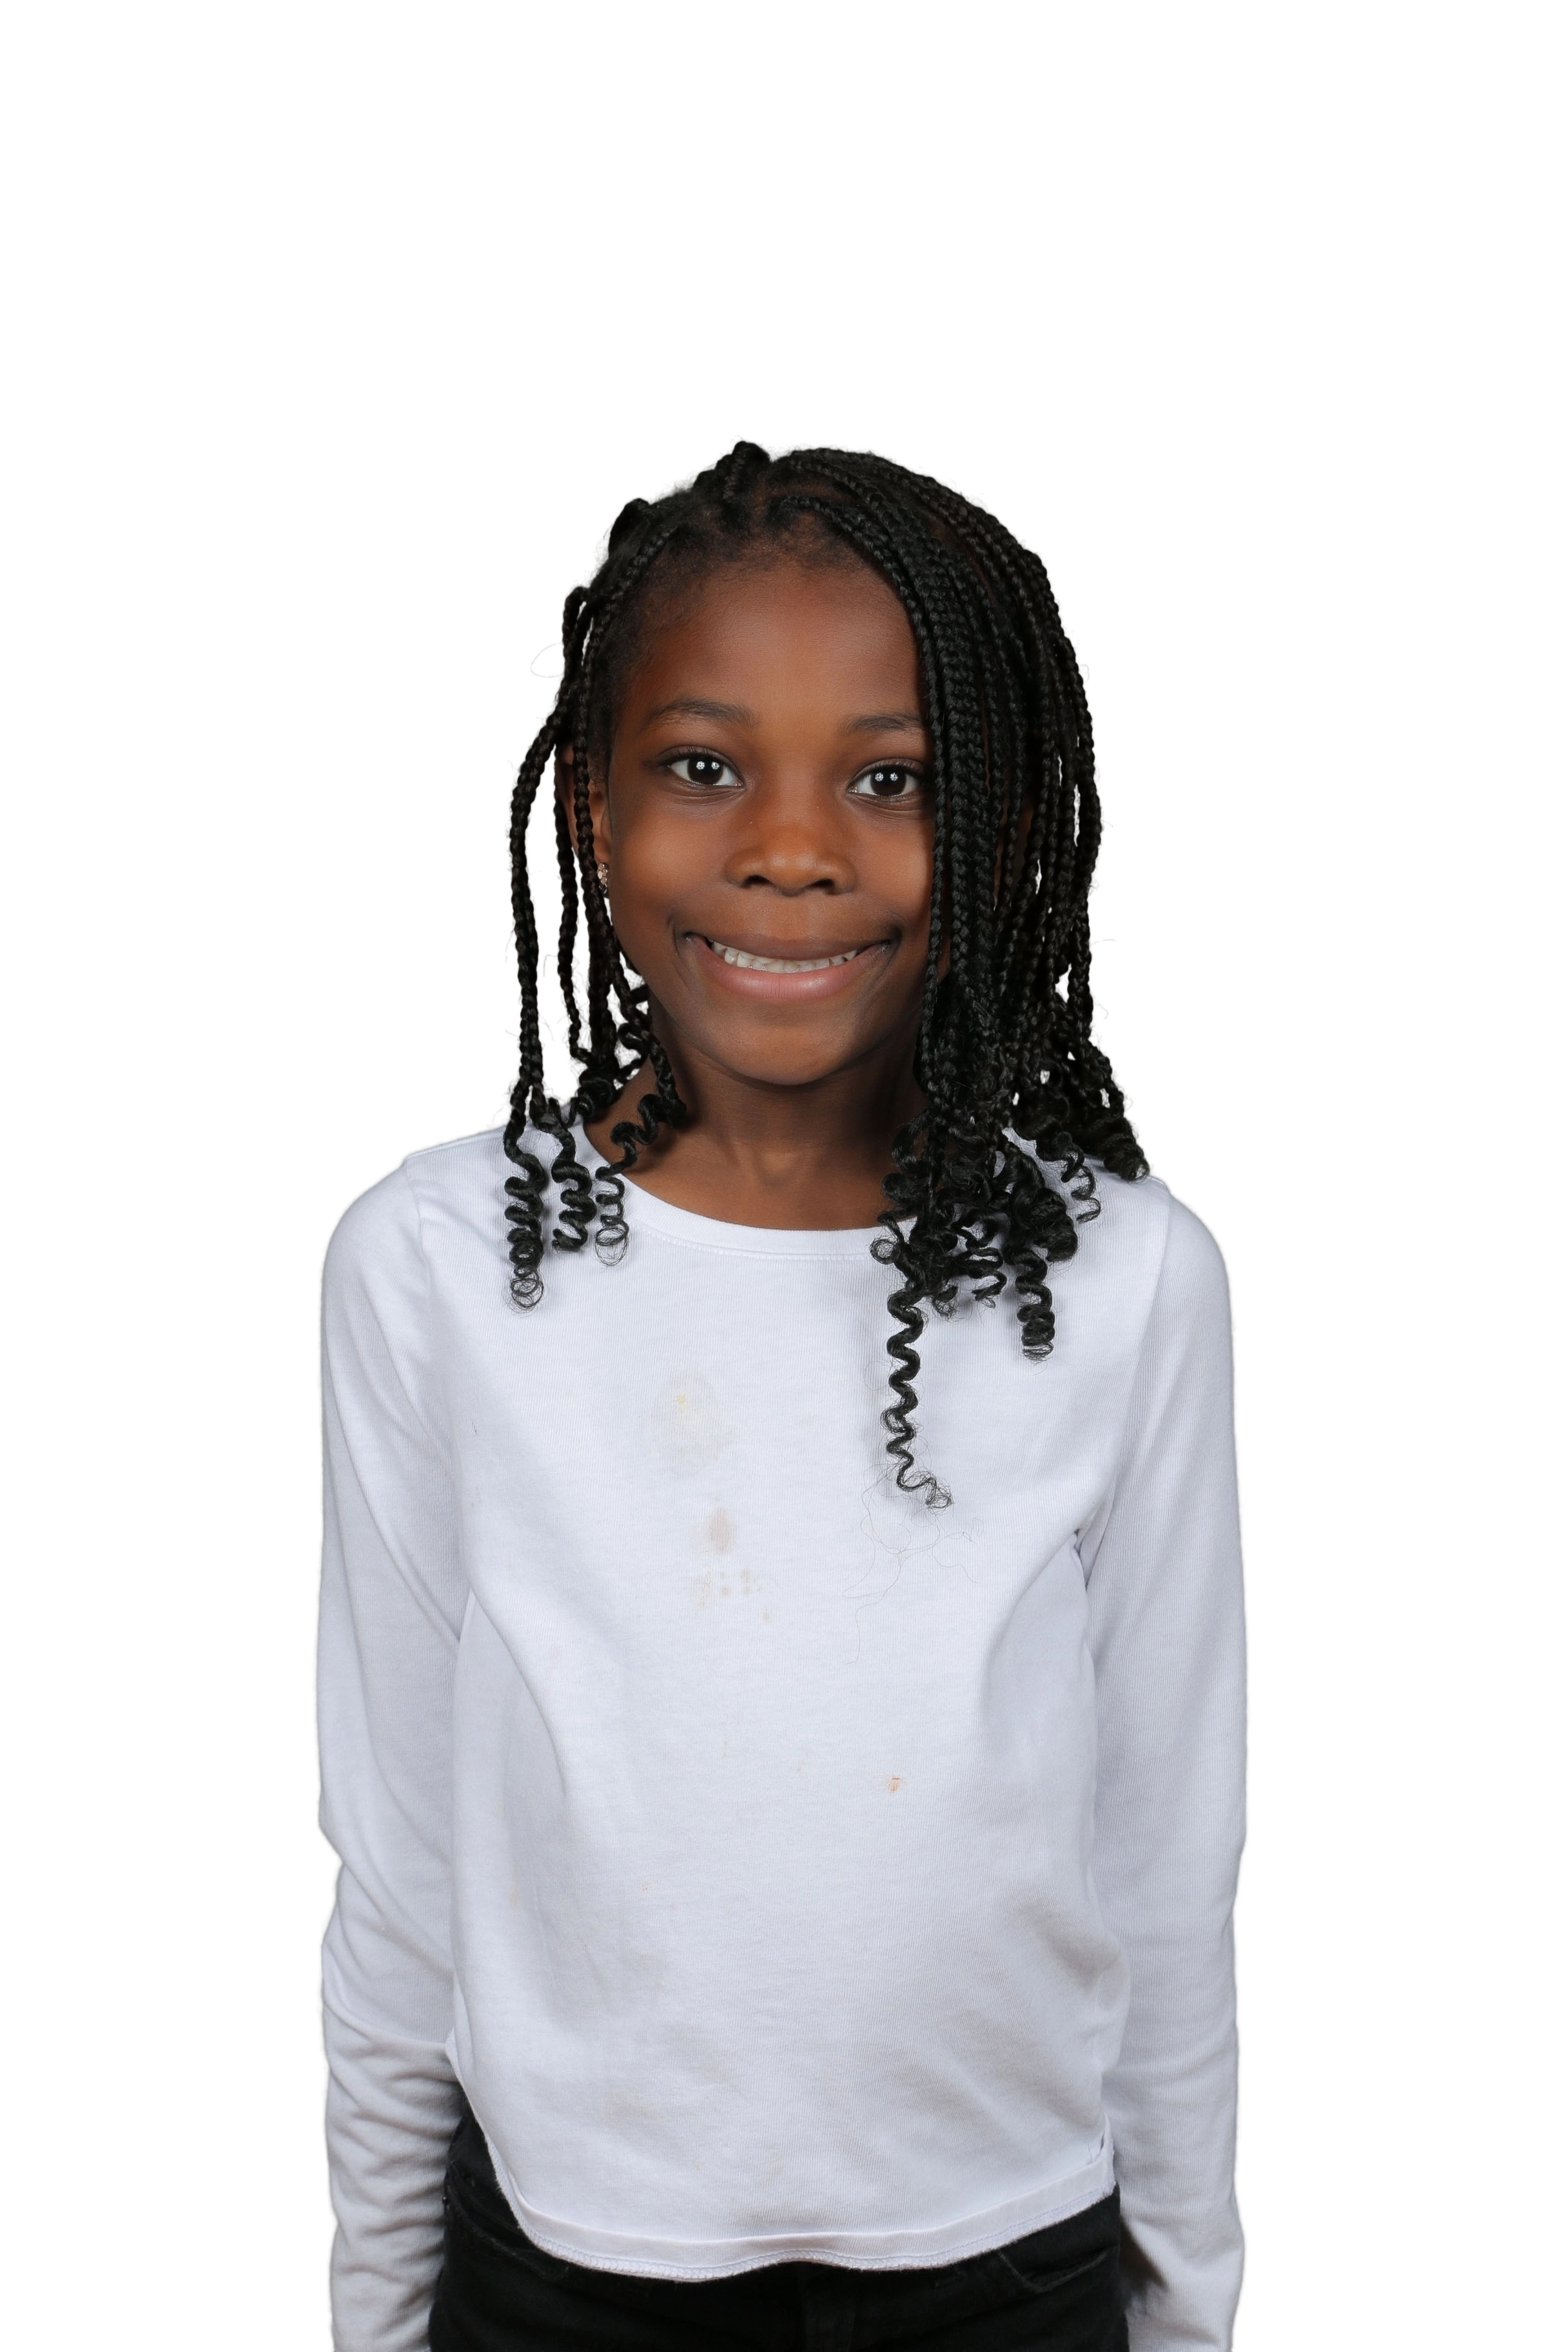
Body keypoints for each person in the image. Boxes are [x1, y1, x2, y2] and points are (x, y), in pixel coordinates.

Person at [313, 436, 1250, 2352]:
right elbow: (402, 1873)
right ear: (591, 802)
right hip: (565, 2272)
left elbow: (1168, 1872)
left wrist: (1192, 2311)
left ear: (1001, 822)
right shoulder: (433, 1269)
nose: (793, 848)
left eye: (890, 779)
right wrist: (376, 2316)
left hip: (1009, 2268)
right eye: (704, 766)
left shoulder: (1129, 1281)